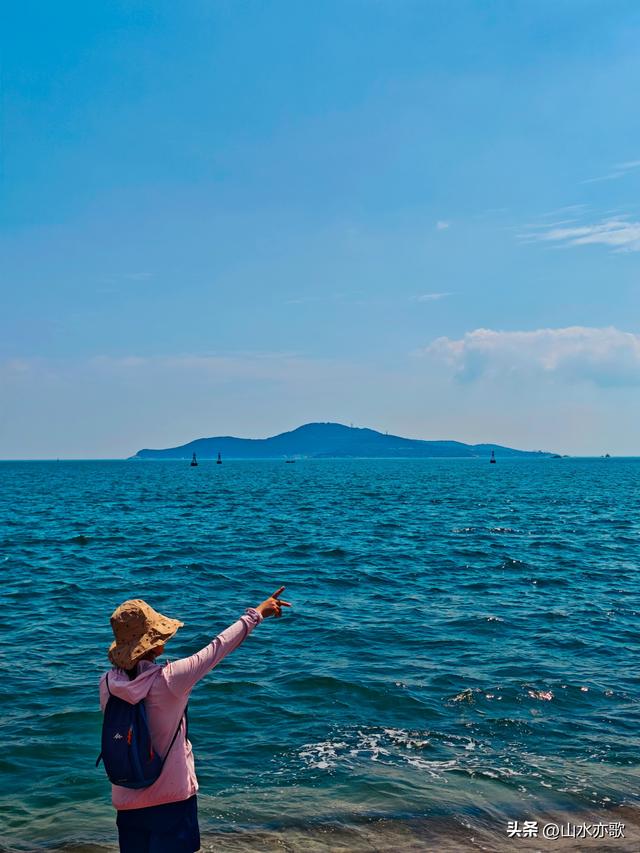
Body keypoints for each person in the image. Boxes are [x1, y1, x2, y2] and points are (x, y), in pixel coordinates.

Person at [99, 586, 291, 853]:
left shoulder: (108, 684)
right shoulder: (170, 680)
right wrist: (257, 613)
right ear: (156, 643)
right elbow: (218, 648)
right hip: (172, 802)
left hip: (126, 802)